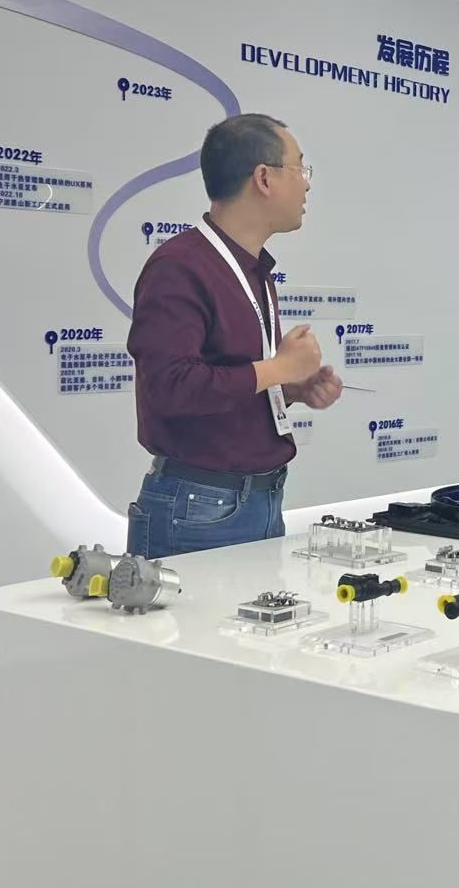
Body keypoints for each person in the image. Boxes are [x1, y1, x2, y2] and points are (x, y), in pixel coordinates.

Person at [126, 114, 343, 558]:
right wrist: (279, 368)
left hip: (258, 498)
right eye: (299, 168)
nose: (306, 185)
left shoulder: (253, 268)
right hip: (199, 508)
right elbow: (170, 388)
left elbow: (226, 381)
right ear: (264, 178)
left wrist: (290, 388)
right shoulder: (180, 266)